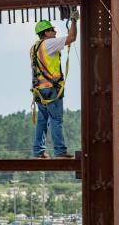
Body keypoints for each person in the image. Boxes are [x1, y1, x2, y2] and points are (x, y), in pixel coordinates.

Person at [30, 10, 79, 159]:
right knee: (56, 120)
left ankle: (39, 152)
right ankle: (60, 151)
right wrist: (74, 21)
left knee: (42, 120)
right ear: (45, 33)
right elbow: (72, 37)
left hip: (39, 90)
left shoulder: (34, 48)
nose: (55, 31)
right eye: (52, 30)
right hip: (51, 91)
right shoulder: (49, 44)